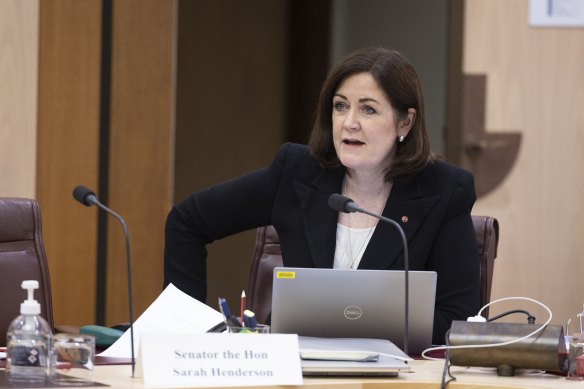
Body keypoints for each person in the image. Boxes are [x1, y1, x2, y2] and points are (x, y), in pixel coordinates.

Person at [164, 47, 480, 345]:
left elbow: (459, 321)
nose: (349, 122)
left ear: (405, 122)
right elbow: (187, 223)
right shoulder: (296, 173)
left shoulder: (444, 190)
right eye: (340, 106)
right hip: (298, 370)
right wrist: (189, 334)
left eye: (368, 109)